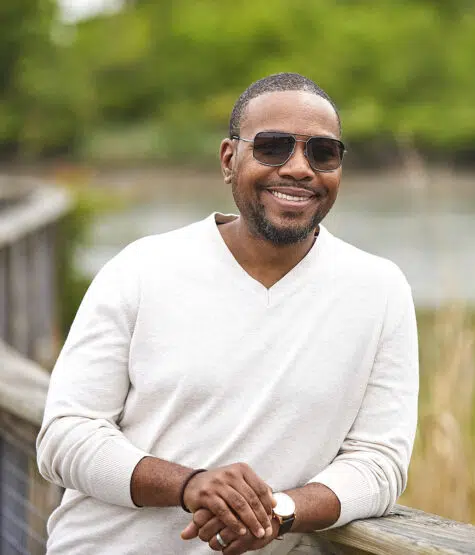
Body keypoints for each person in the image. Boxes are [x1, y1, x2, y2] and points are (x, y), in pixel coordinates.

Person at [36, 72, 419, 554]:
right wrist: (190, 484)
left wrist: (277, 513)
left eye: (323, 152)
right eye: (273, 147)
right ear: (228, 159)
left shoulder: (380, 291)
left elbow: (379, 462)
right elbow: (65, 438)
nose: (300, 168)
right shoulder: (141, 268)